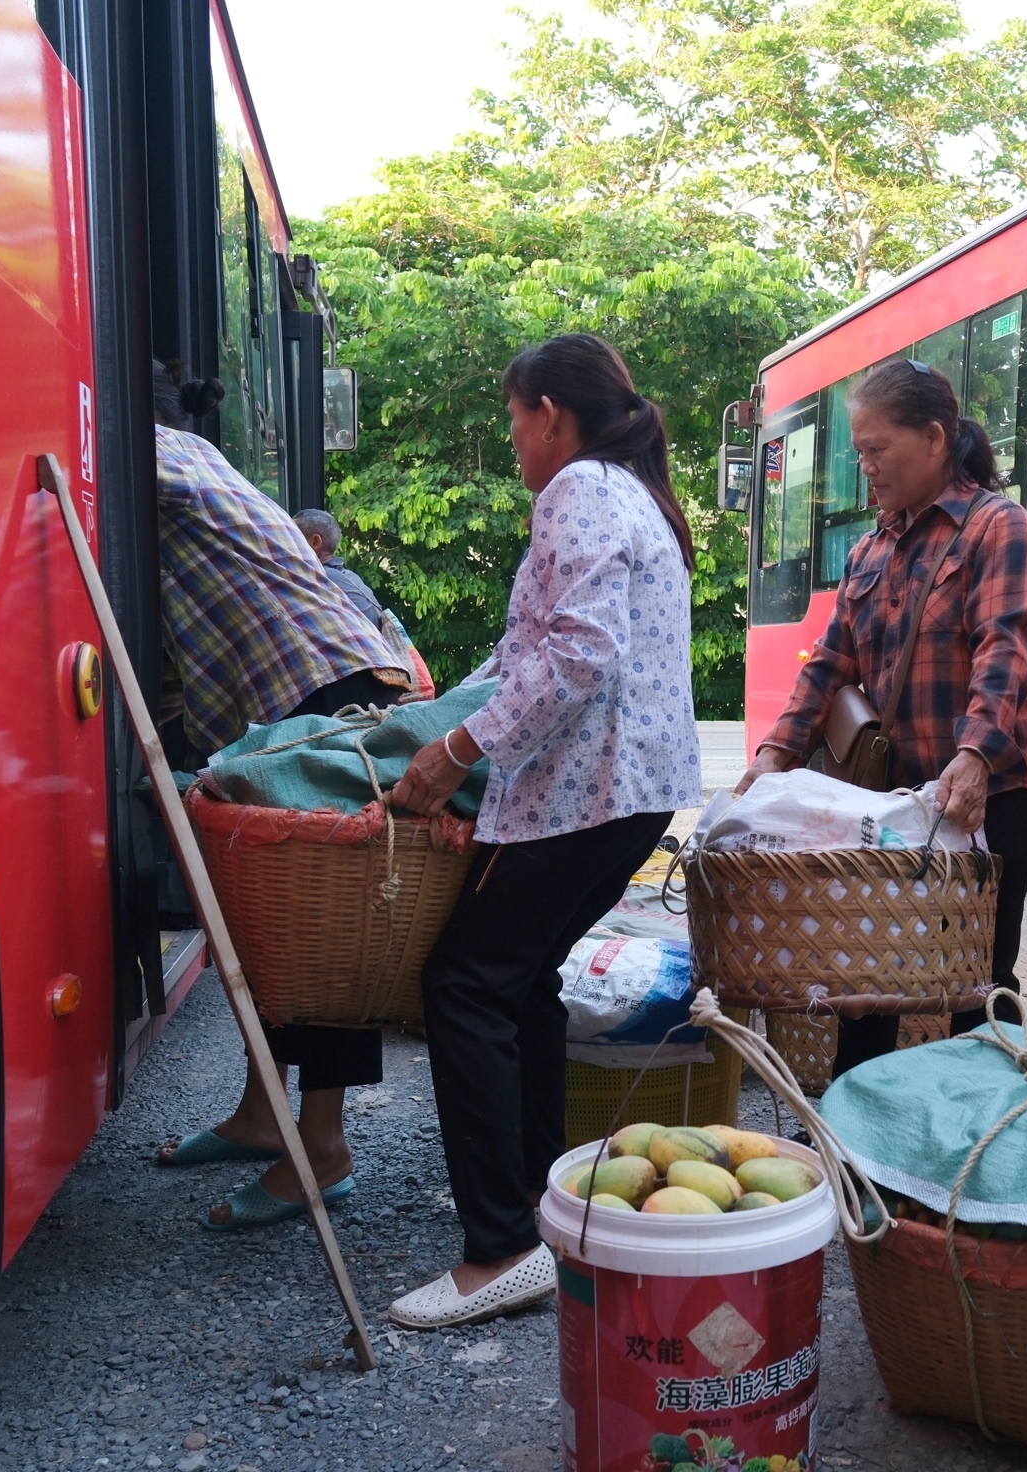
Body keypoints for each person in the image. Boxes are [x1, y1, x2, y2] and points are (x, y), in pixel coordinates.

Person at [381, 333, 702, 1328]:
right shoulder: (626, 492)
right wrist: (434, 732)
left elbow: (578, 657)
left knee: (466, 983)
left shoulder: (580, 491)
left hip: (592, 790)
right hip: (618, 791)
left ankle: (499, 1248)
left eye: (513, 418)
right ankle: (535, 1199)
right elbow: (532, 653)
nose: (511, 439)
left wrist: (455, 752)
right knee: (516, 981)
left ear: (551, 413)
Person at [144, 359, 416, 1229]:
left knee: (324, 933)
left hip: (322, 692)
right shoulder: (197, 462)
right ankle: (266, 1117)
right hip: (299, 692)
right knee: (269, 922)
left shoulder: (158, 453)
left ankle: (324, 1149)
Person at [738, 356, 1027, 1077]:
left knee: (976, 981)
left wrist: (973, 756)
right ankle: (860, 1146)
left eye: (877, 450)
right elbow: (829, 664)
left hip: (988, 796)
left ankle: (980, 1140)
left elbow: (1005, 647)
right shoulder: (872, 546)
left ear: (935, 439)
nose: (865, 466)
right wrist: (774, 757)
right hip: (892, 799)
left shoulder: (995, 527)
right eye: (859, 452)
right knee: (868, 981)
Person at [294, 507, 436, 699]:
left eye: (292, 535)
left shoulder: (318, 579)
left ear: (315, 542)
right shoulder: (349, 576)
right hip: (381, 686)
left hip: (358, 689)